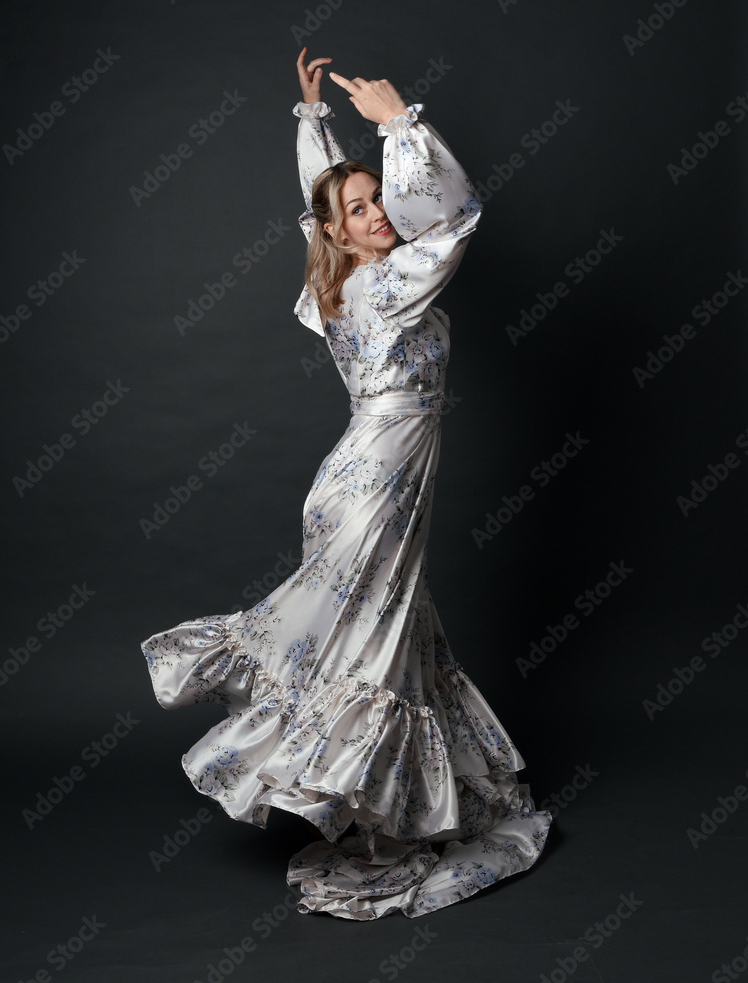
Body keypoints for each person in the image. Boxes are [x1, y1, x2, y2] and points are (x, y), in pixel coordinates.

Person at [140, 49, 552, 920]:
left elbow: (322, 202)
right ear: (339, 234)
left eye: (378, 203)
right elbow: (454, 219)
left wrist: (316, 125)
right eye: (358, 212)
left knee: (390, 644)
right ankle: (386, 827)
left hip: (360, 480)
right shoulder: (385, 290)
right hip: (373, 491)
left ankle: (395, 809)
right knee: (369, 649)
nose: (377, 217)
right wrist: (401, 123)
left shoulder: (339, 284)